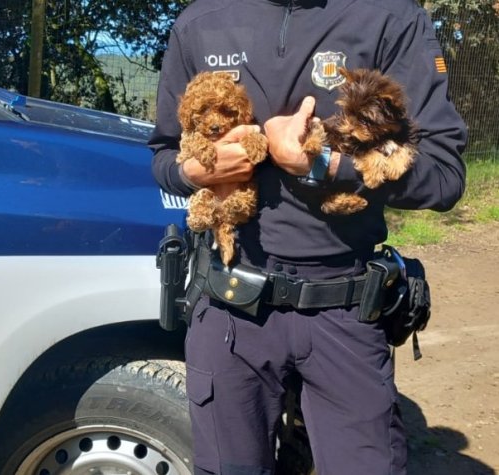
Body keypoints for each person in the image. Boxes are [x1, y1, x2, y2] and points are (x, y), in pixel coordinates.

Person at [148, 1, 467, 474]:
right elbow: (163, 157)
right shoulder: (201, 22)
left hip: (346, 311)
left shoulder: (390, 17)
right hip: (232, 310)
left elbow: (444, 175)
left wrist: (323, 167)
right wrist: (197, 169)